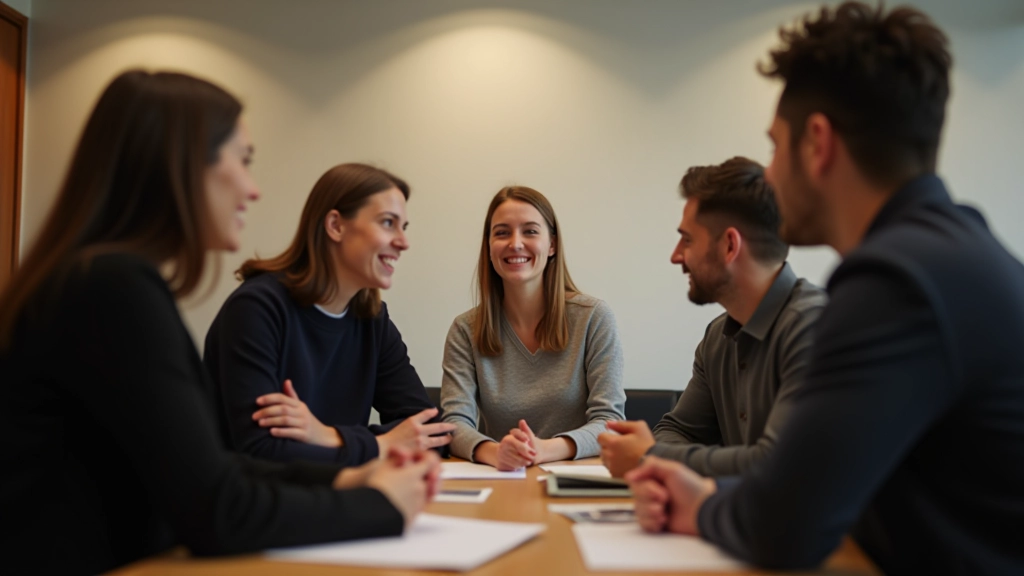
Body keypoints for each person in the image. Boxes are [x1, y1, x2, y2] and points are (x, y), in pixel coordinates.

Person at [626, 3, 1024, 574]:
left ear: (817, 143)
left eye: (775, 146)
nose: (771, 173)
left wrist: (702, 506)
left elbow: (785, 526)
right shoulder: (959, 251)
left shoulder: (894, 283)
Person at [0, 70, 439, 576]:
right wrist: (381, 505)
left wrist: (344, 480)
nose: (253, 190)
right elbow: (217, 506)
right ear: (182, 166)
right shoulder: (113, 287)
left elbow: (213, 469)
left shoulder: (102, 279)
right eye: (243, 161)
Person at [204, 163, 454, 467]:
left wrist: (326, 436)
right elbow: (262, 451)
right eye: (388, 223)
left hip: (334, 497)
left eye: (404, 227)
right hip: (259, 508)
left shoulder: (372, 319)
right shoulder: (256, 309)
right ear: (335, 225)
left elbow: (432, 434)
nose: (403, 242)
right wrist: (383, 443)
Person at [598, 157, 827, 478]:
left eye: (687, 239)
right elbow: (678, 430)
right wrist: (659, 458)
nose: (676, 255)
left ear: (730, 246)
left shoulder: (813, 327)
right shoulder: (718, 336)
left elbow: (779, 465)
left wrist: (650, 457)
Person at [441, 186, 626, 470]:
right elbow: (454, 423)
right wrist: (496, 452)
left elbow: (610, 423)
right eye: (502, 232)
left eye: (530, 231)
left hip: (575, 481)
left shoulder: (594, 318)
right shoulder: (465, 330)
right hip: (501, 476)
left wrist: (544, 449)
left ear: (552, 245)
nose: (515, 243)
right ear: (489, 246)